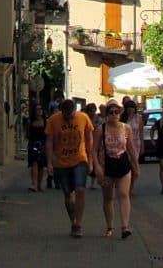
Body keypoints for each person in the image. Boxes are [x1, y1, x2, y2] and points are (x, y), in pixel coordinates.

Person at [45, 99, 95, 238]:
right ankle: (73, 221)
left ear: (75, 110)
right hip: (61, 163)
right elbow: (49, 142)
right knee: (68, 195)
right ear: (62, 112)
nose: (69, 118)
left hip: (80, 159)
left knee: (80, 189)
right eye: (66, 116)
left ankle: (78, 224)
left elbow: (89, 139)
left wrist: (91, 161)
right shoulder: (54, 120)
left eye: (71, 115)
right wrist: (49, 163)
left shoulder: (83, 118)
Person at [94, 97, 139, 240]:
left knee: (124, 194)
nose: (114, 115)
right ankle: (110, 227)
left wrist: (136, 165)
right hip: (106, 165)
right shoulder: (101, 129)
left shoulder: (126, 128)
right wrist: (97, 167)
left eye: (116, 112)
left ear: (120, 113)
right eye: (111, 112)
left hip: (123, 164)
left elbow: (131, 148)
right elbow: (94, 150)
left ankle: (125, 227)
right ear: (107, 114)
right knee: (108, 197)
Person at [120, 97, 144, 194]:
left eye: (132, 107)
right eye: (128, 107)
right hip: (124, 144)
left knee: (134, 167)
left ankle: (131, 186)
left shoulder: (139, 118)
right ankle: (124, 185)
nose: (130, 109)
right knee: (127, 166)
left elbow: (141, 132)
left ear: (135, 108)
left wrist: (143, 146)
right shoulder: (122, 118)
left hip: (136, 144)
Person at [27, 104, 47, 191]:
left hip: (42, 144)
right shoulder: (30, 121)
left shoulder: (46, 121)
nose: (39, 111)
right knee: (34, 163)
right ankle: (34, 184)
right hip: (33, 143)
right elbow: (27, 133)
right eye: (37, 109)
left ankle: (39, 184)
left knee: (41, 165)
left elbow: (48, 134)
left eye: (40, 109)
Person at [85, 103, 99, 188]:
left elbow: (100, 127)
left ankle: (93, 183)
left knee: (94, 161)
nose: (92, 112)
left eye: (93, 110)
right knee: (85, 161)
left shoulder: (98, 118)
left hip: (96, 141)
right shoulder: (86, 119)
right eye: (90, 110)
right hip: (86, 141)